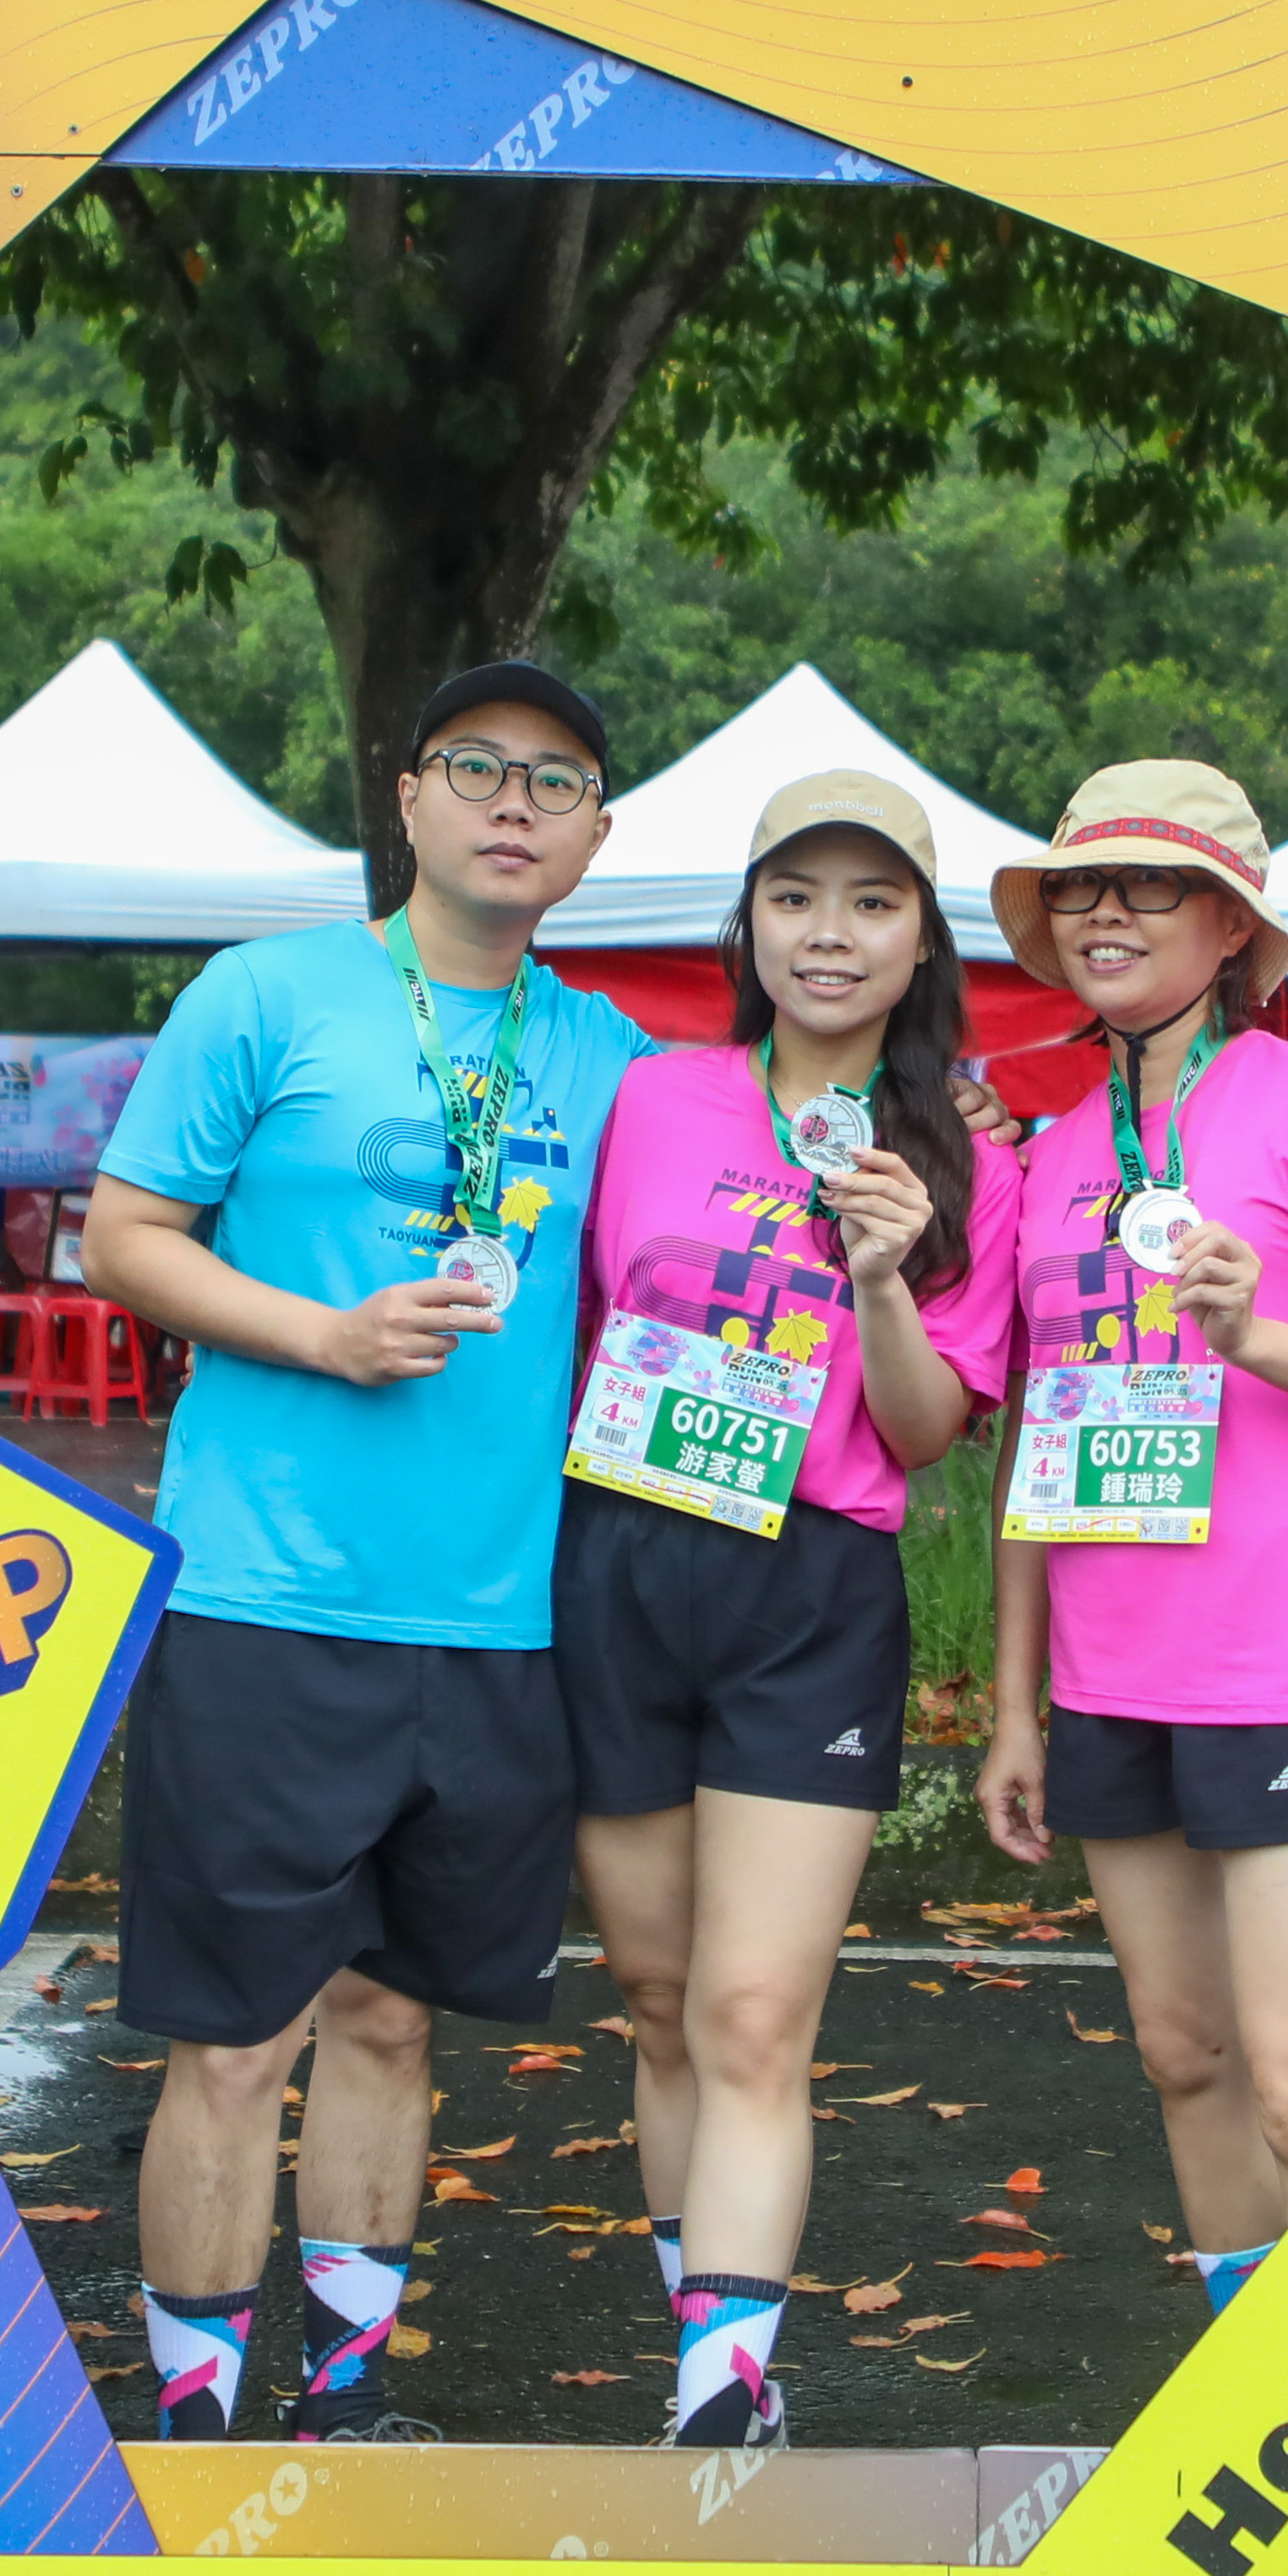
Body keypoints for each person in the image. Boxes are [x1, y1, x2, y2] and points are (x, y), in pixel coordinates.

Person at [82, 665, 650, 2441]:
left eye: (556, 781)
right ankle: (194, 2426)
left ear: (596, 835)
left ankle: (343, 2406)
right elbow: (123, 1236)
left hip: (496, 1621)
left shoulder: (610, 1055)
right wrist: (320, 1334)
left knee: (395, 2024)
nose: (514, 803)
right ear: (408, 799)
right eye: (477, 767)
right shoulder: (266, 994)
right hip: (264, 1599)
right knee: (237, 2036)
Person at [974, 761, 1288, 2314]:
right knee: (1184, 2058)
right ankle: (1253, 2392)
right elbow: (1039, 1441)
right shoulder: (1055, 1151)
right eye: (1079, 887)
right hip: (1112, 1675)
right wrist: (1014, 1706)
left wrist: (1258, 1341)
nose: (1106, 912)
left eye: (1152, 885)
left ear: (1232, 925)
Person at [565, 772, 1018, 2448]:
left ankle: (723, 2393)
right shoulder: (654, 1096)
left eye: (874, 902)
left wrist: (885, 1269)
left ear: (923, 943)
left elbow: (925, 1427)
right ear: (747, 923)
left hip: (811, 1588)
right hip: (623, 1554)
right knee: (656, 1995)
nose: (831, 934)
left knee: (754, 2012)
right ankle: (702, 2331)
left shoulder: (968, 1159)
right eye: (797, 896)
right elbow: (579, 1320)